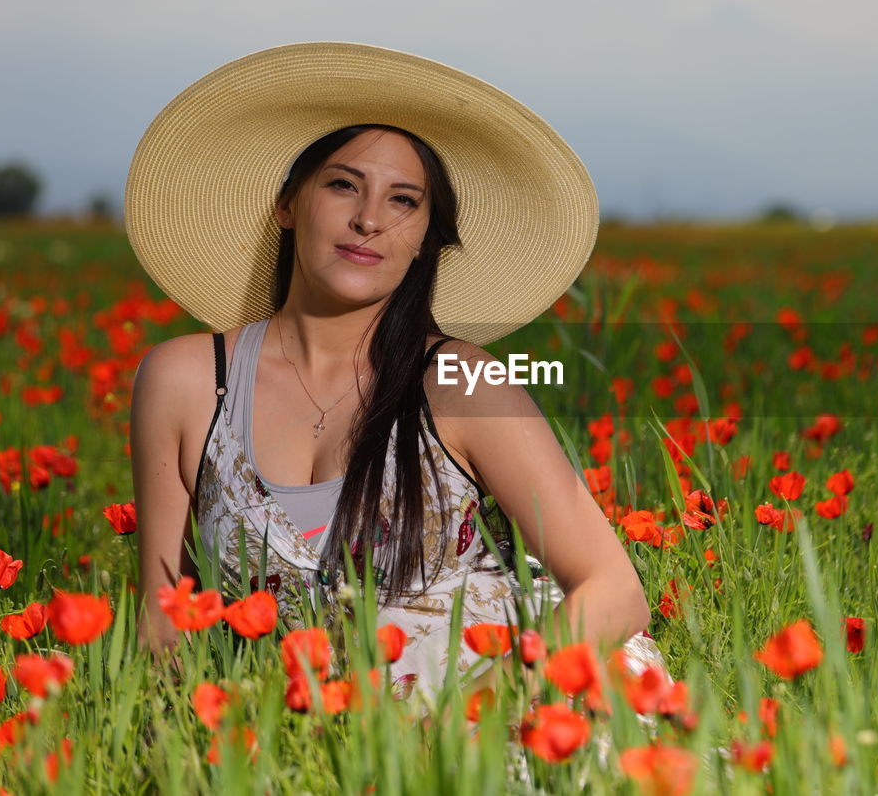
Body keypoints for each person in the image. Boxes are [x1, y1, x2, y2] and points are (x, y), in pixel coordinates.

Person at [127, 43, 661, 698]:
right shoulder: (185, 381)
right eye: (343, 183)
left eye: (404, 200)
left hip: (512, 689)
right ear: (288, 204)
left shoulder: (462, 381)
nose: (369, 220)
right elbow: (164, 618)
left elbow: (616, 590)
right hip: (309, 720)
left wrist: (483, 712)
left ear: (426, 239)